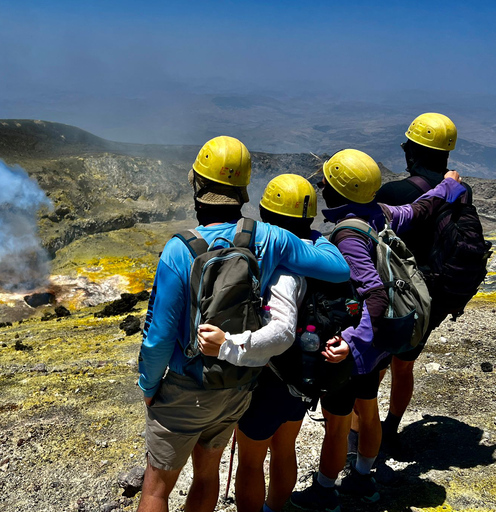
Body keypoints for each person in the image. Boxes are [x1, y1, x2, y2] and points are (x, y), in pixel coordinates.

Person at [136, 136, 351, 512]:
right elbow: (337, 269)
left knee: (156, 491)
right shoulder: (270, 238)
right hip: (236, 385)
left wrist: (149, 386)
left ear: (199, 187)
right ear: (243, 191)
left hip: (185, 387)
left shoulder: (179, 249)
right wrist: (318, 236)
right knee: (206, 476)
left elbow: (158, 337)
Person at [290, 149, 465, 512]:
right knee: (368, 409)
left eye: (327, 182)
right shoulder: (380, 214)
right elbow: (419, 209)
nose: (322, 185)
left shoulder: (347, 236)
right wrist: (447, 187)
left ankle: (325, 492)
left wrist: (350, 345)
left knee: (338, 425)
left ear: (335, 191)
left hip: (358, 343)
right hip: (381, 341)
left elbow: (374, 297)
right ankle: (364, 479)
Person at [196, 174, 329, 512]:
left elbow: (282, 331)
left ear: (267, 216)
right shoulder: (315, 253)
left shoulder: (284, 267)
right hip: (303, 373)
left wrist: (228, 345)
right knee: (285, 450)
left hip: (272, 377)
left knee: (252, 463)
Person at [373, 112, 463, 454]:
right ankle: (391, 428)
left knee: (377, 361)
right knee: (404, 364)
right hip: (434, 295)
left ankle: (360, 431)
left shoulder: (395, 192)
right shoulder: (457, 190)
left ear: (411, 151)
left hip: (396, 293)